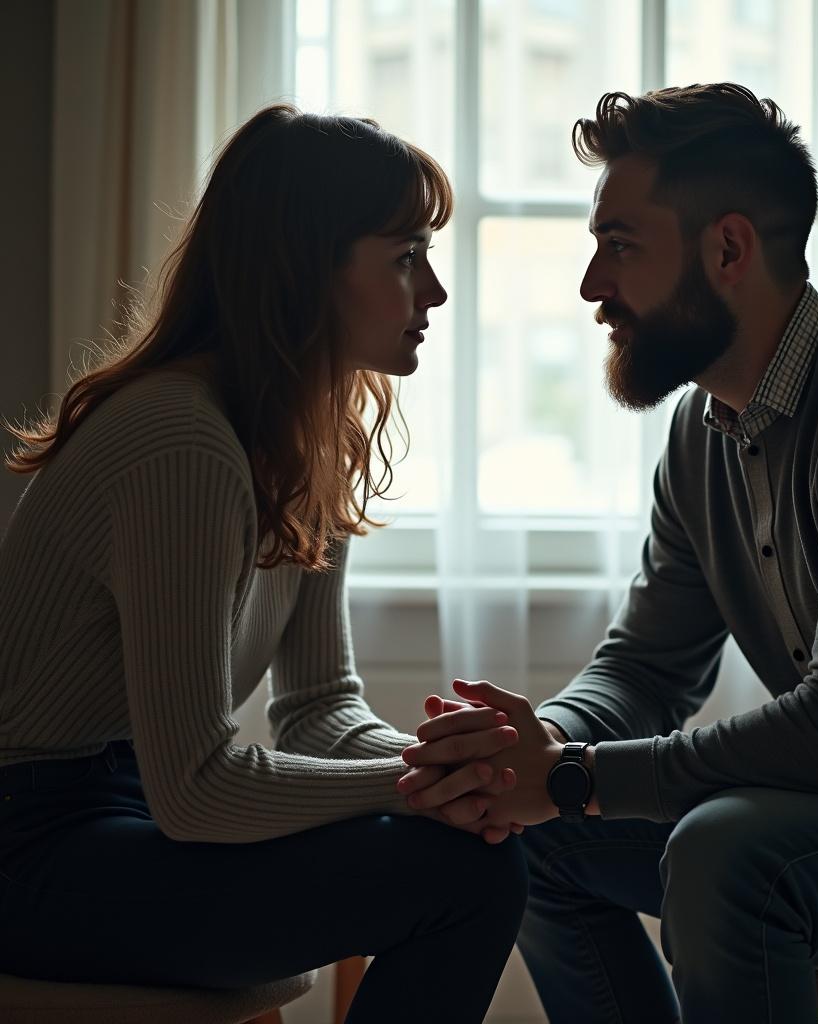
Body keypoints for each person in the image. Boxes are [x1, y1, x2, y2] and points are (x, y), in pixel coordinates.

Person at [398, 83, 818, 1023]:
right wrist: (528, 752)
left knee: (726, 851)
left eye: (620, 245)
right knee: (528, 838)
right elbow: (646, 670)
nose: (591, 287)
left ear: (727, 248)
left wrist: (572, 778)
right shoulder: (704, 430)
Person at [0, 104, 527, 1024]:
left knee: (482, 850)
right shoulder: (182, 443)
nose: (435, 292)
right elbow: (200, 787)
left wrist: (446, 771)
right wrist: (430, 787)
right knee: (464, 874)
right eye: (405, 256)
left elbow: (317, 707)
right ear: (305, 269)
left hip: (118, 810)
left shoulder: (297, 436)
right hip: (30, 840)